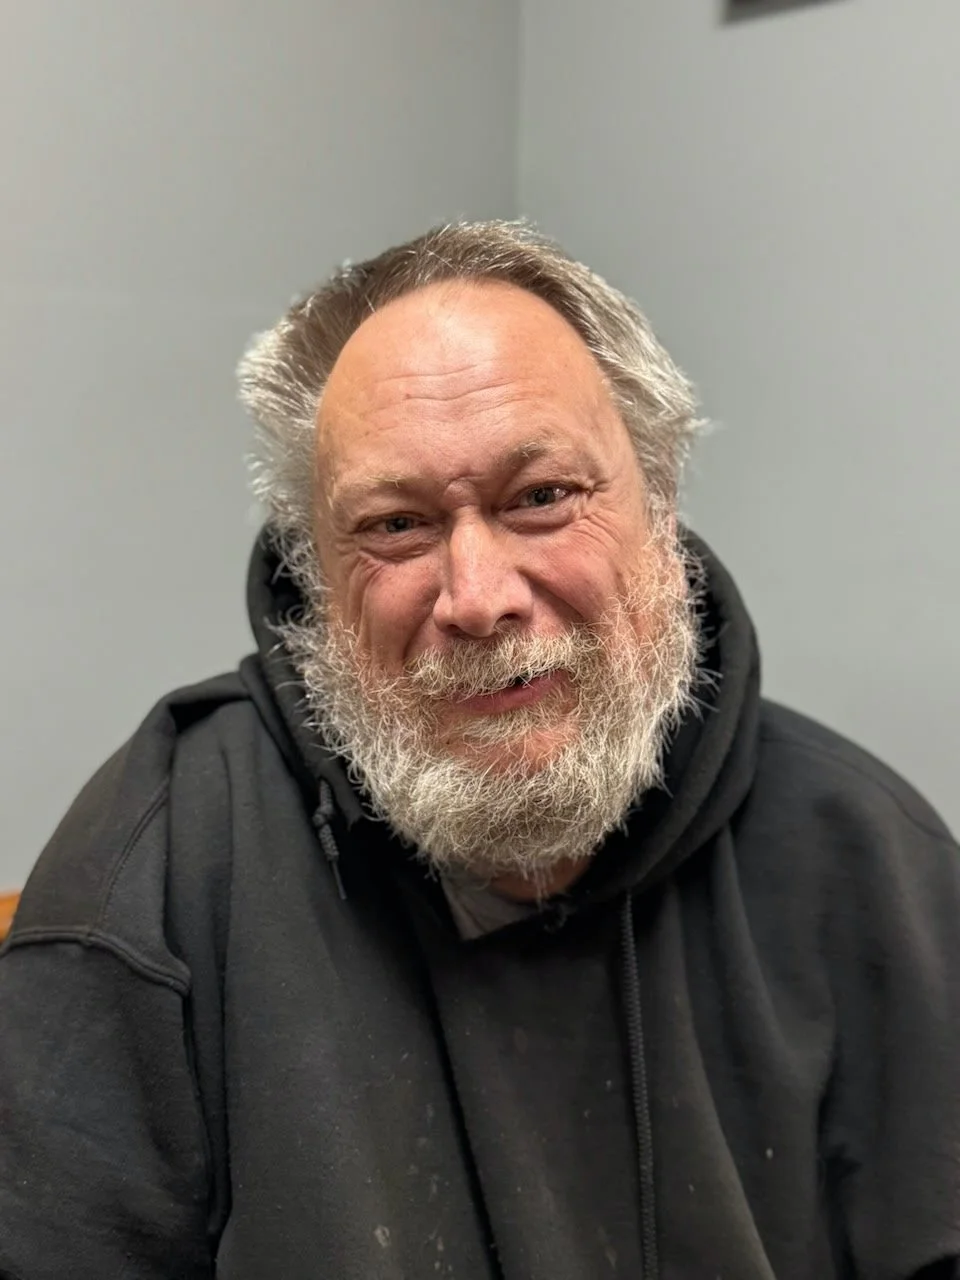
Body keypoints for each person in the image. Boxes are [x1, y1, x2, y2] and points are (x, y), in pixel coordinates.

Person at [1, 220, 958, 1280]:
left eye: (540, 497)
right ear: (317, 578)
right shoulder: (157, 870)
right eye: (397, 525)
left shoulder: (878, 866)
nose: (478, 597)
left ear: (662, 506)